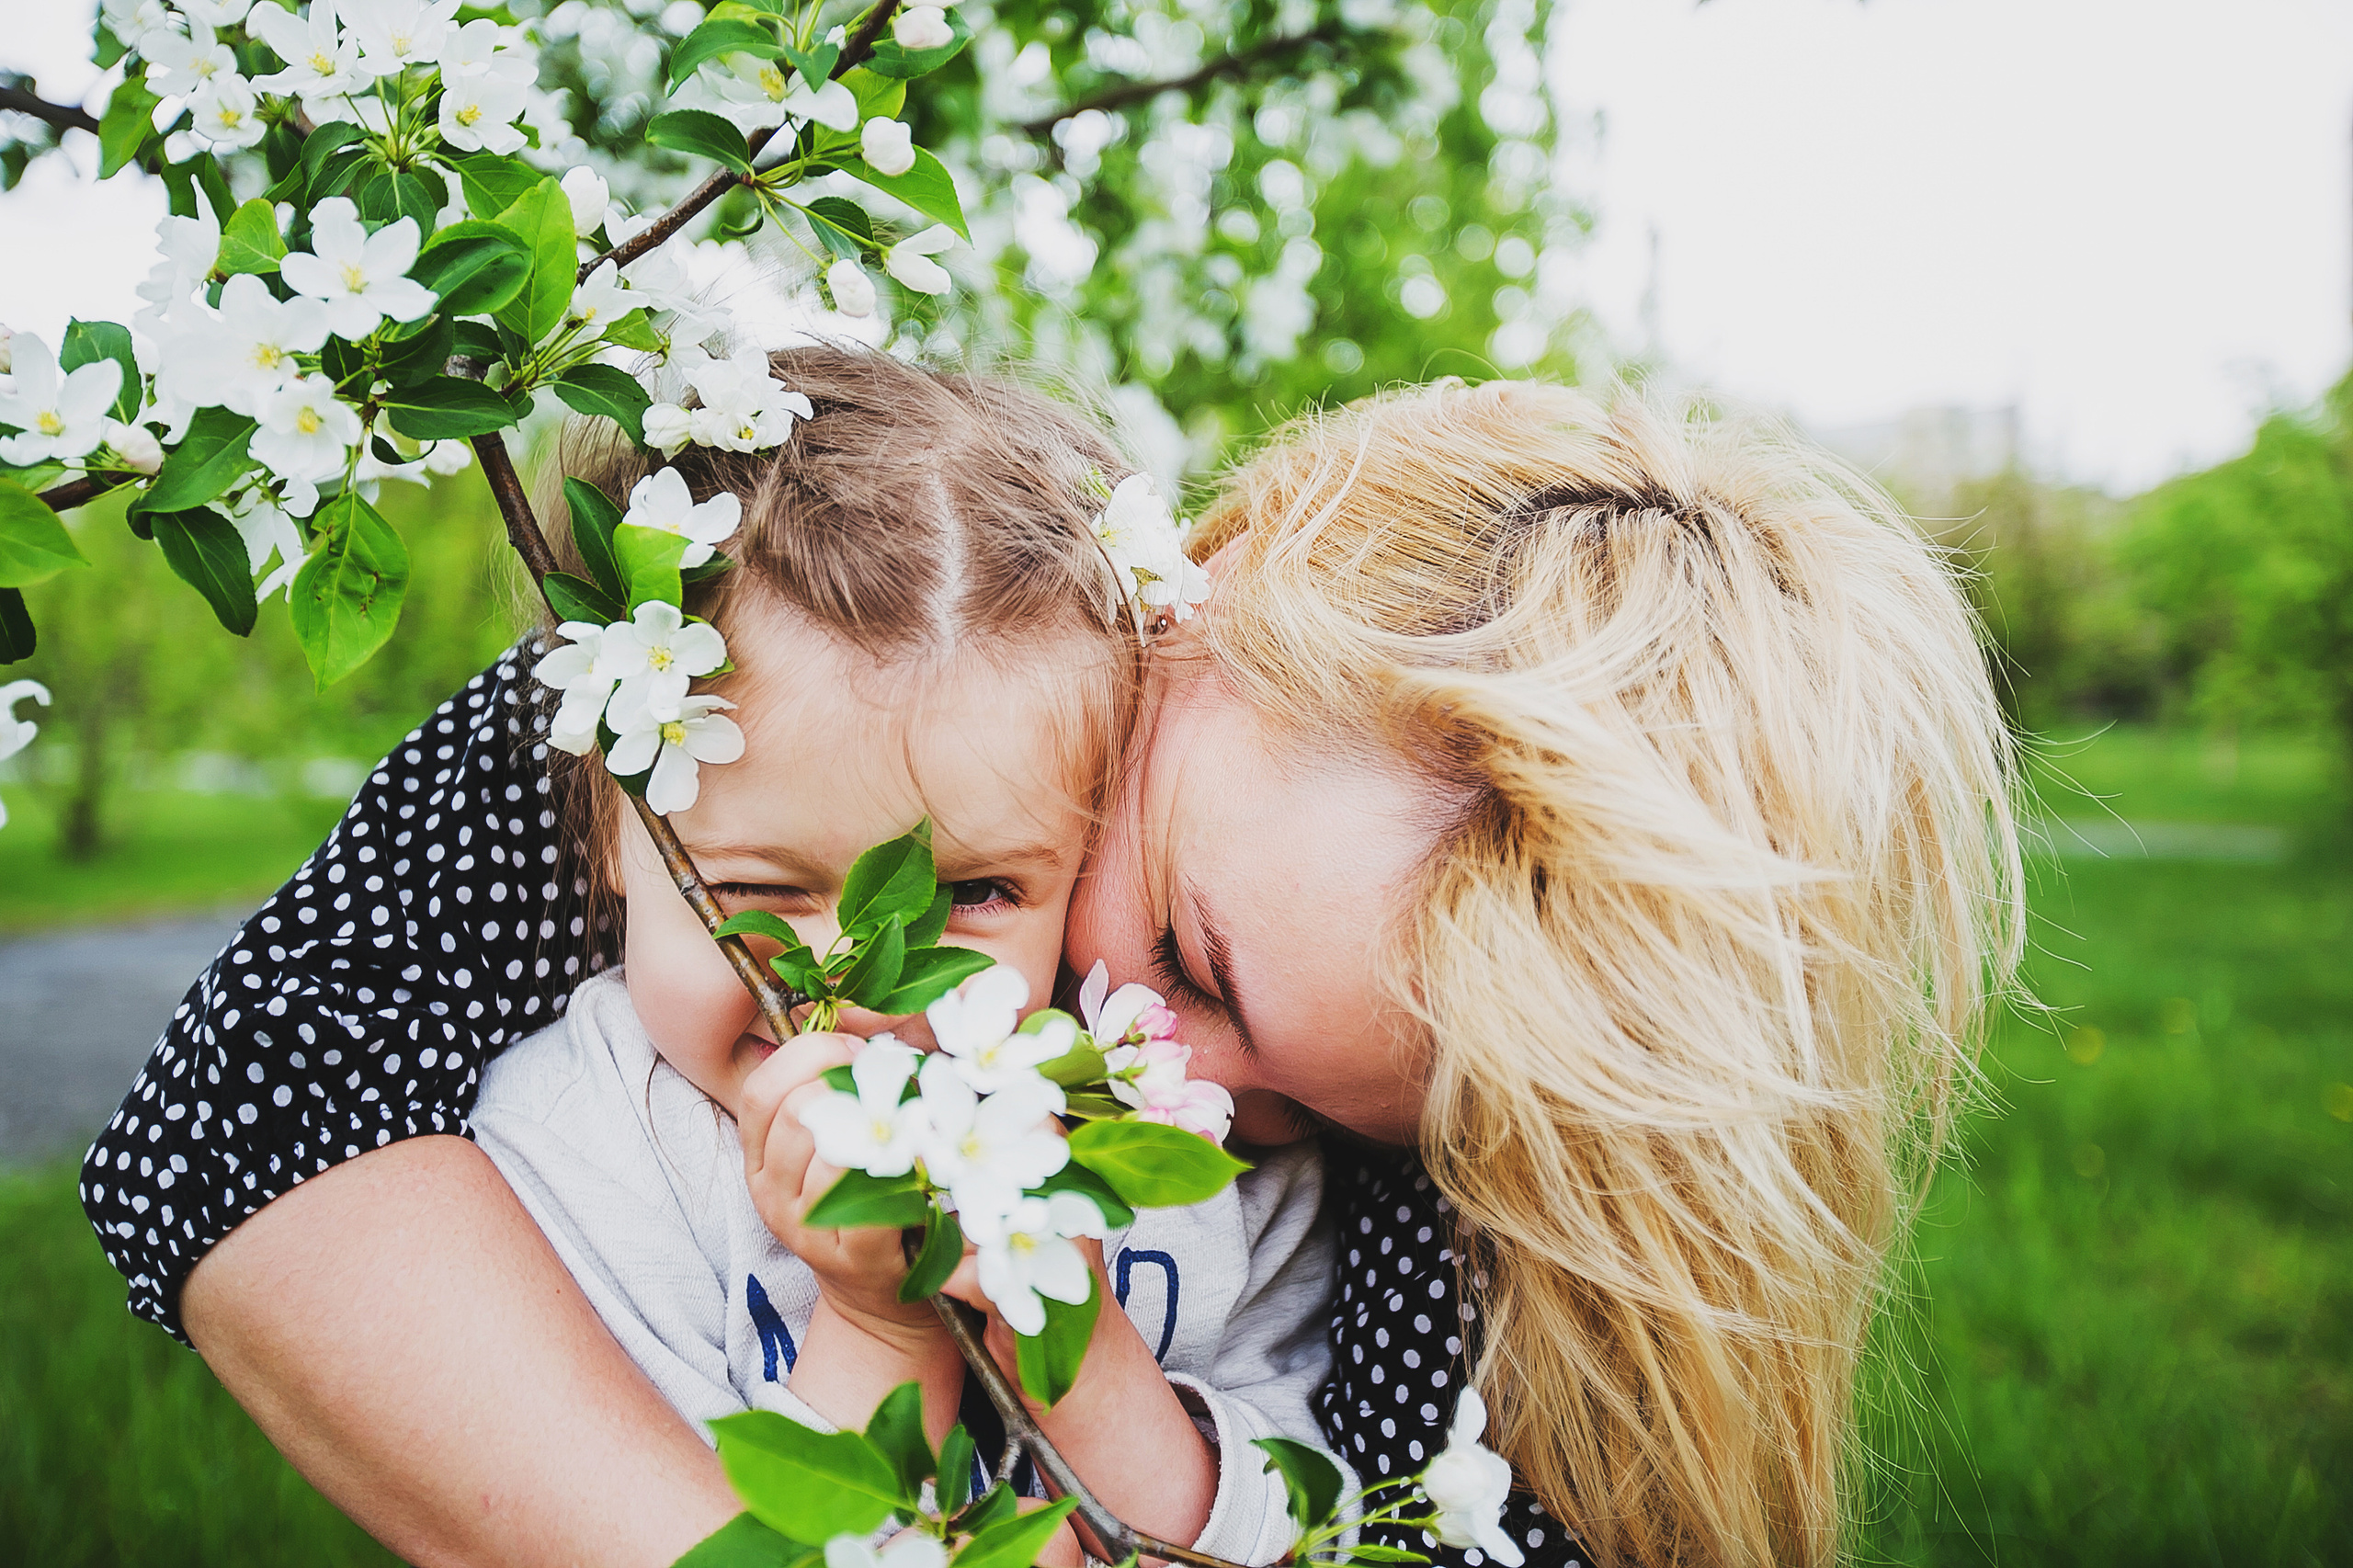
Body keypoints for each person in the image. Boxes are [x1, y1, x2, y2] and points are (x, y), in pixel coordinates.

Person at [84, 374, 2020, 1568]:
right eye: (1180, 948)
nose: (1157, 1080)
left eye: (1291, 1118)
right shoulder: (780, 673)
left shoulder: (1416, 1193)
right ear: (1197, 585)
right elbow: (251, 1108)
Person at [467, 352, 1335, 1568]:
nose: (858, 986)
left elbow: (1297, 1538)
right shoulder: (578, 1155)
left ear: (1084, 857)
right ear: (622, 826)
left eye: (975, 892)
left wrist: (1072, 1338)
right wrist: (880, 1328)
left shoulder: (1198, 1159)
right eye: (760, 890)